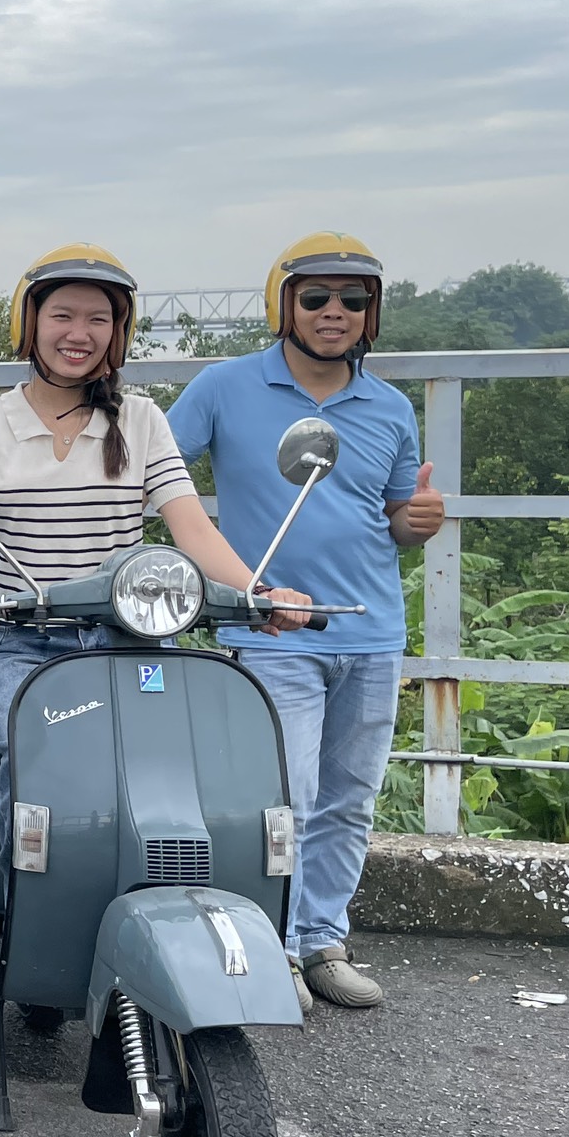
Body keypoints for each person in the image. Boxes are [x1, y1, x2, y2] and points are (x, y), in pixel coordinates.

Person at [0, 246, 311, 866]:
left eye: (97, 320)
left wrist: (258, 593)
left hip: (129, 640)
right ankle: (27, 916)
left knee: (175, 772)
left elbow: (191, 526)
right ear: (29, 324)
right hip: (21, 642)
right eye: (62, 316)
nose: (78, 334)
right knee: (33, 771)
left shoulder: (139, 420)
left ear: (118, 332)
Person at [170, 233, 443, 1012]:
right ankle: (273, 945)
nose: (334, 312)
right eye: (316, 297)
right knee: (279, 795)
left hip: (371, 625)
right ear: (282, 304)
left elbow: (392, 516)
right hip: (270, 630)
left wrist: (414, 522)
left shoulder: (388, 406)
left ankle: (323, 938)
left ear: (372, 313)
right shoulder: (225, 388)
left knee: (350, 797)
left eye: (353, 299)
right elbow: (158, 469)